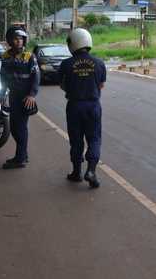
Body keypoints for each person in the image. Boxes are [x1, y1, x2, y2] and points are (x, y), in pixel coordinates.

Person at [58, 28, 106, 189]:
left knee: (76, 140)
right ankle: (91, 171)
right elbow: (101, 85)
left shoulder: (66, 64)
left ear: (72, 44)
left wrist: (74, 89)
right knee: (94, 139)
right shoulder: (99, 63)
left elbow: (62, 85)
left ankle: (76, 172)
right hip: (92, 106)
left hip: (74, 106)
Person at [0, 26, 39, 169]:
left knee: (19, 127)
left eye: (21, 39)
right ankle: (23, 154)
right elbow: (3, 78)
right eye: (16, 39)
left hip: (25, 97)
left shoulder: (29, 57)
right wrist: (2, 94)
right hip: (13, 96)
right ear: (10, 41)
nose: (19, 42)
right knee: (15, 128)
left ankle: (20, 158)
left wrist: (32, 95)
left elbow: (36, 77)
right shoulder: (4, 57)